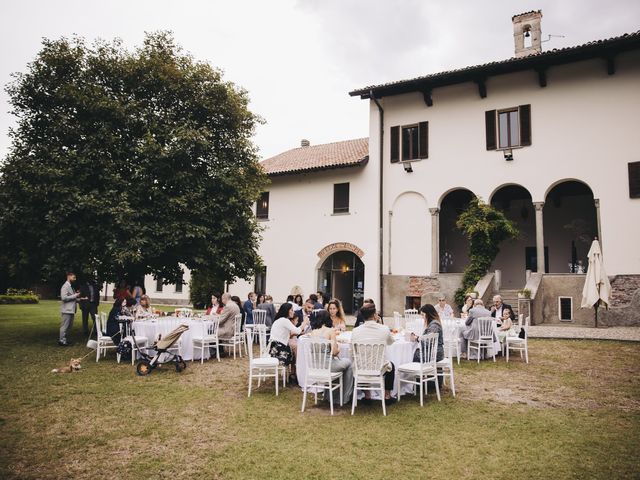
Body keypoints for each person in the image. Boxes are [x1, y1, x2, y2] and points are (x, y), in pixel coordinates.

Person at [351, 304, 396, 403]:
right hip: (378, 367)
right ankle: (387, 396)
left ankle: (367, 396)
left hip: (361, 367)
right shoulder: (384, 329)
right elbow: (390, 342)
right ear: (375, 315)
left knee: (362, 363)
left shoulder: (355, 331)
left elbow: (352, 350)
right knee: (391, 366)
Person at [309, 309, 354, 404]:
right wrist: (339, 349)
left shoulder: (313, 332)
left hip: (316, 366)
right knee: (349, 363)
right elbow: (334, 352)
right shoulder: (330, 331)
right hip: (328, 366)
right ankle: (345, 396)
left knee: (340, 365)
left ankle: (331, 396)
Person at [269, 303, 309, 383]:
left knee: (295, 348)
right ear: (287, 311)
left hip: (274, 348)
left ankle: (294, 374)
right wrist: (304, 323)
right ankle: (299, 374)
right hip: (278, 351)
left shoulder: (280, 320)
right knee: (297, 349)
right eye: (291, 310)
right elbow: (297, 331)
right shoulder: (284, 320)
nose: (293, 312)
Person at [59, 271, 81, 346]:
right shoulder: (65, 286)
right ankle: (61, 340)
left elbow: (72, 298)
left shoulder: (70, 286)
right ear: (69, 276)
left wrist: (81, 299)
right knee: (64, 326)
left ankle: (65, 340)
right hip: (66, 310)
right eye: (73, 277)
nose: (75, 279)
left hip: (71, 310)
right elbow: (64, 298)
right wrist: (75, 295)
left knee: (69, 327)